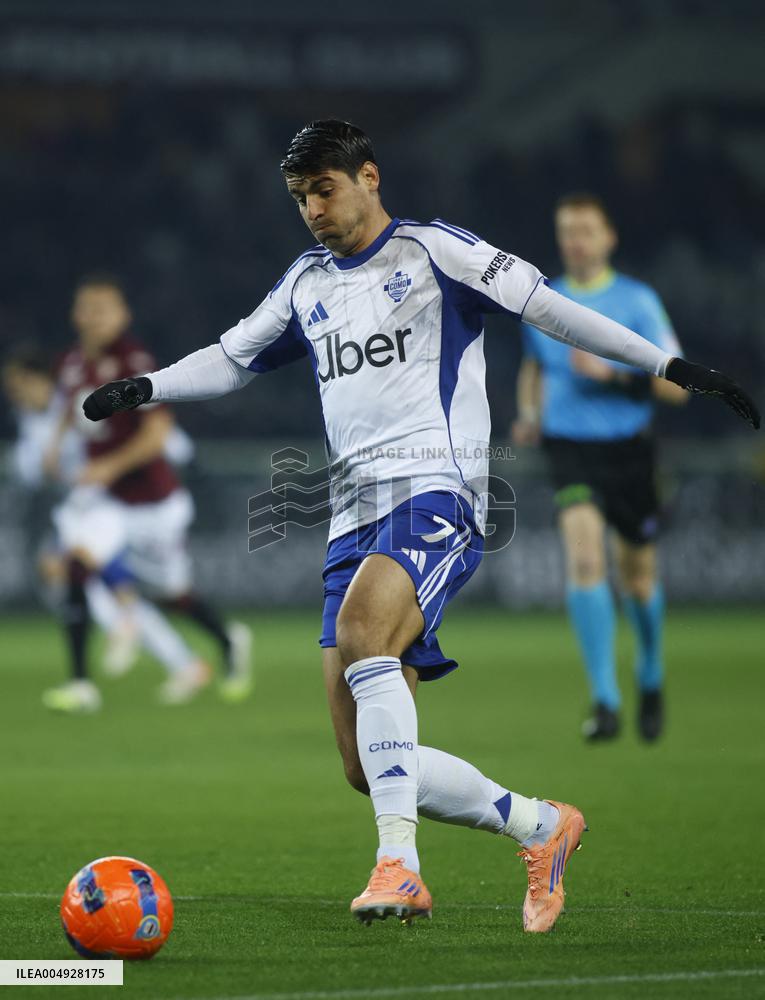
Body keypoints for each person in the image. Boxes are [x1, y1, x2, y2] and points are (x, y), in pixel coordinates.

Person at [81, 120, 759, 933]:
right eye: (300, 198)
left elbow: (552, 309)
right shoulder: (305, 283)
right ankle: (541, 826)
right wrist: (144, 387)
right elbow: (232, 357)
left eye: (323, 190)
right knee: (365, 765)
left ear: (369, 177)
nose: (312, 210)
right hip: (350, 516)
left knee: (367, 631)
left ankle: (398, 868)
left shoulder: (435, 252)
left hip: (437, 492)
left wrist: (670, 367)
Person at [513, 193, 688, 742]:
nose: (575, 241)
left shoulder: (638, 302)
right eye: (566, 231)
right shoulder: (545, 300)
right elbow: (535, 368)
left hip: (630, 450)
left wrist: (611, 375)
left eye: (586, 230)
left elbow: (677, 389)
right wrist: (528, 412)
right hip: (570, 448)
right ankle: (606, 701)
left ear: (609, 238)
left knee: (637, 577)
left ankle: (651, 674)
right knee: (585, 557)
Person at [45, 275, 253, 709]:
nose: (94, 317)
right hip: (107, 502)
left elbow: (158, 434)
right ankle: (82, 683)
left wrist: (109, 465)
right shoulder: (70, 362)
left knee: (172, 594)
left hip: (154, 502)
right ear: (75, 314)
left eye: (104, 308)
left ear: (123, 315)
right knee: (77, 564)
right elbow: (70, 409)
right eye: (87, 308)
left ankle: (229, 641)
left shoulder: (133, 362)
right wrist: (54, 445)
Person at [1, 344, 225, 711]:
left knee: (99, 575)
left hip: (118, 504)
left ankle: (124, 636)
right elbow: (34, 472)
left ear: (40, 379)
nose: (16, 394)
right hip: (82, 506)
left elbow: (156, 437)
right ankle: (175, 657)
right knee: (80, 585)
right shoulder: (32, 424)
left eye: (20, 384)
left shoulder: (78, 402)